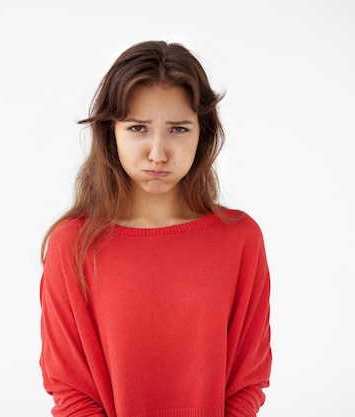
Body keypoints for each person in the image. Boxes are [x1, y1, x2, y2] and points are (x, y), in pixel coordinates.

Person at [39, 40, 272, 417]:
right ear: (110, 133)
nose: (158, 152)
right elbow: (71, 390)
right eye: (138, 128)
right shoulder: (73, 244)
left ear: (203, 133)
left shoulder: (240, 239)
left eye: (178, 129)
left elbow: (247, 382)